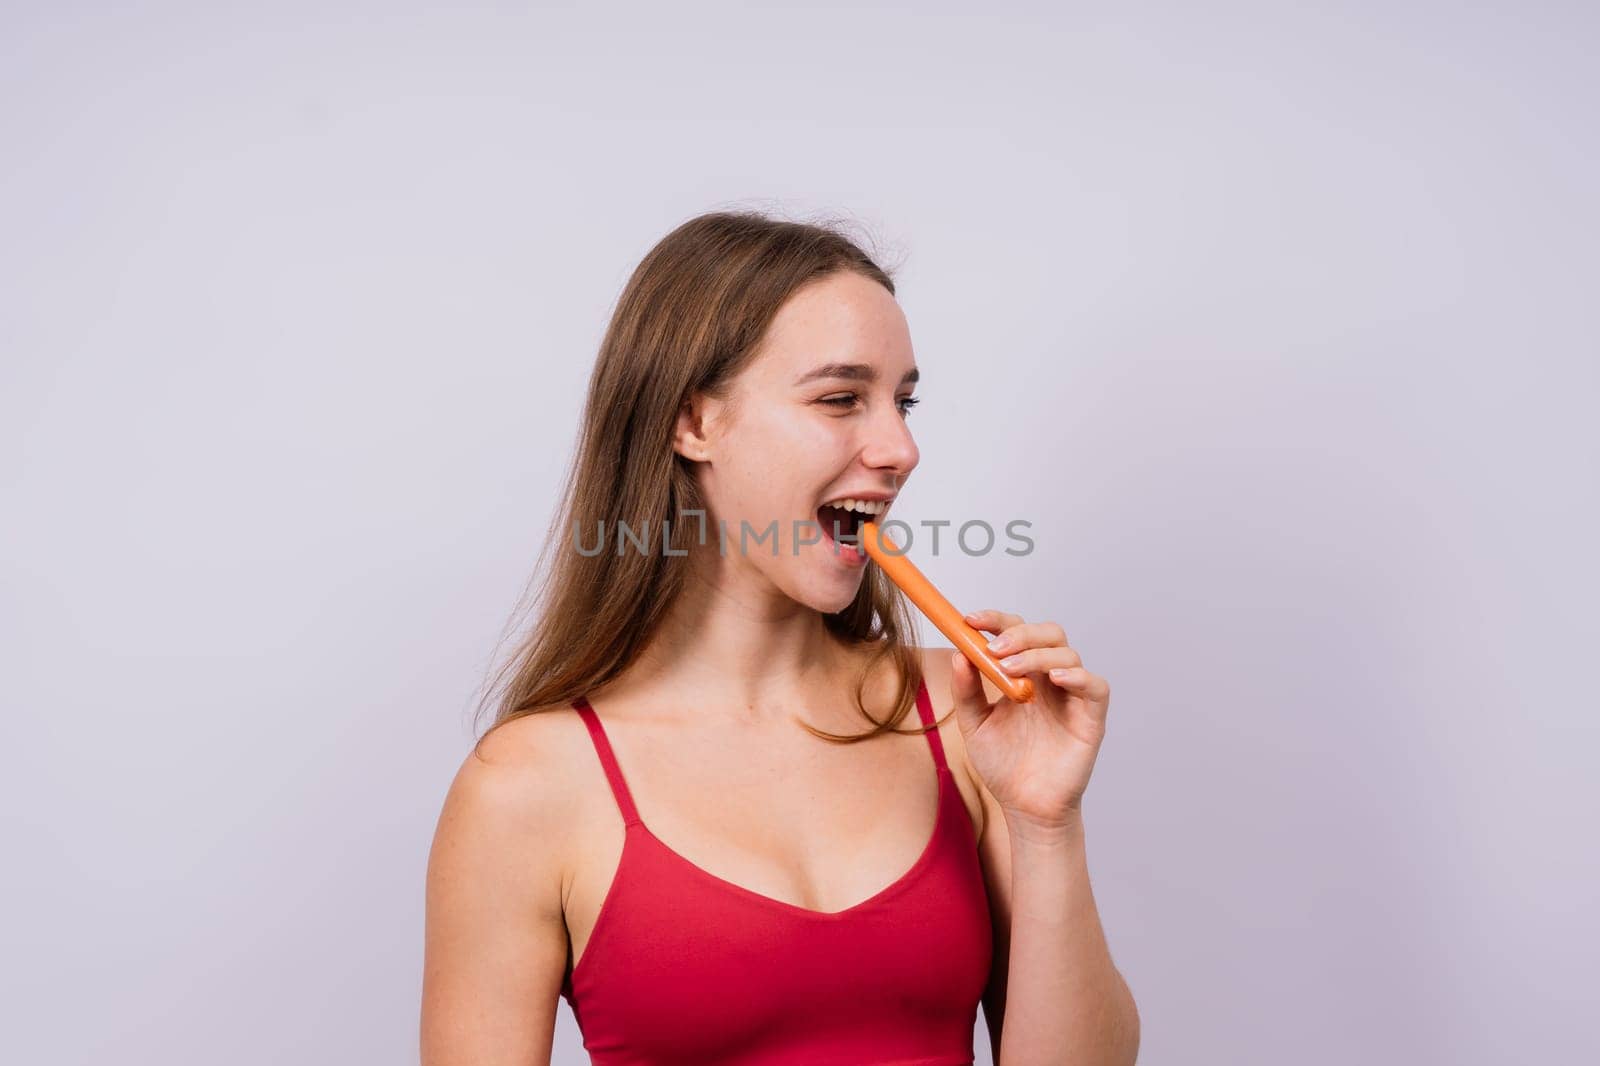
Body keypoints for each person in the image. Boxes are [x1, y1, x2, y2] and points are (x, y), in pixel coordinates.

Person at [419, 211, 1140, 1065]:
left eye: (903, 402)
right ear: (694, 423)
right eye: (840, 399)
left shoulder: (964, 714)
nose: (900, 447)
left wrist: (1047, 825)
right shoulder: (528, 786)